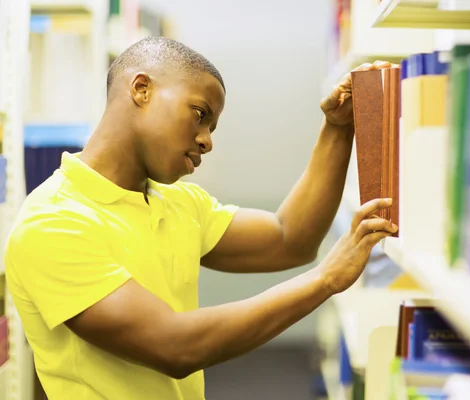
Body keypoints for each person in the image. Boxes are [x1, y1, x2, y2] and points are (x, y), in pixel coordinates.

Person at [4, 36, 397, 400]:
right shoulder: (54, 222)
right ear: (141, 89)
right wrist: (325, 280)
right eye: (200, 114)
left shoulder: (177, 201)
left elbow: (289, 238)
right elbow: (175, 345)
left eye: (211, 127)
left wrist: (338, 129)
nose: (208, 140)